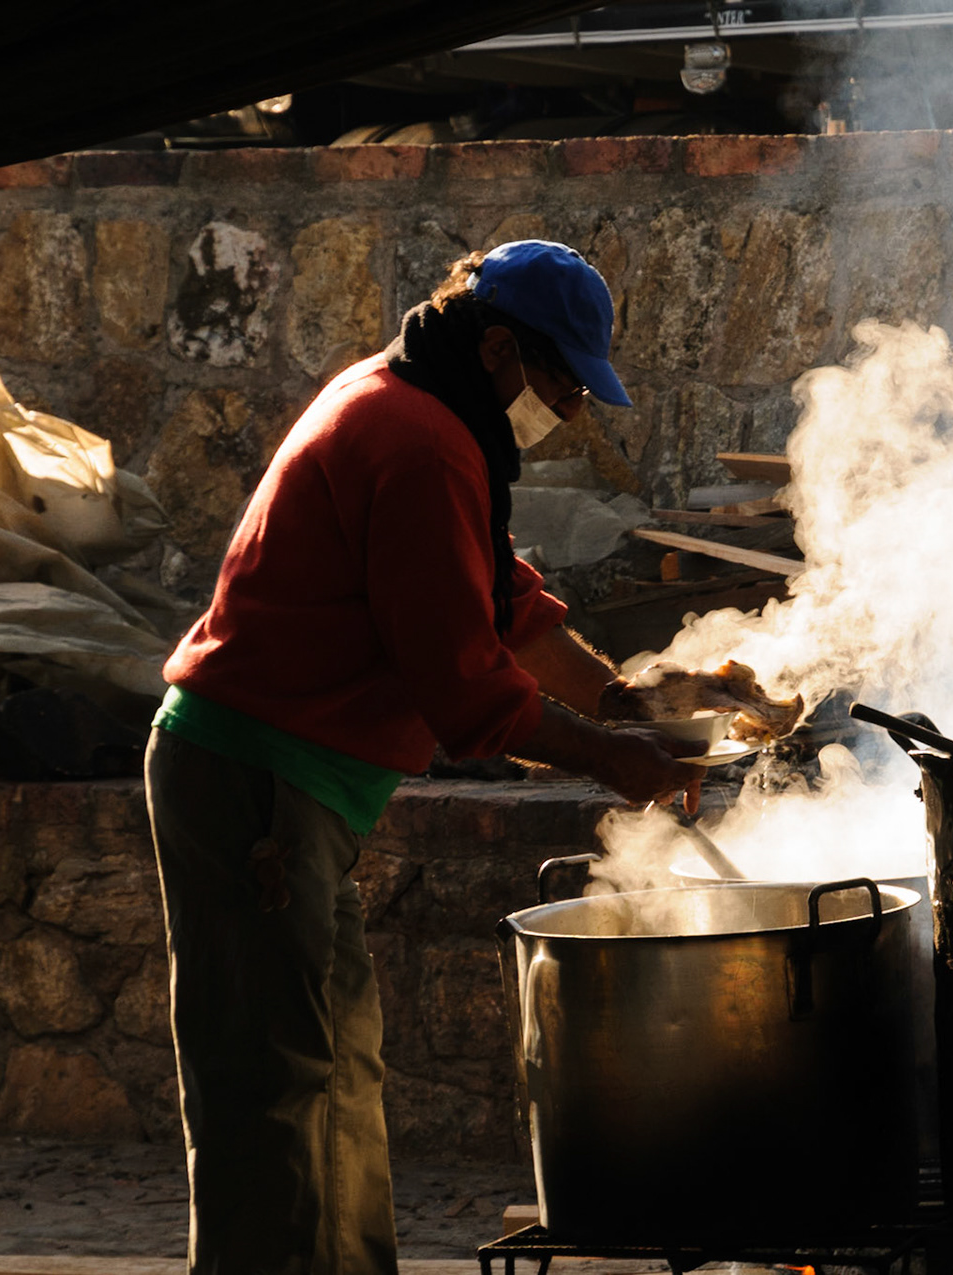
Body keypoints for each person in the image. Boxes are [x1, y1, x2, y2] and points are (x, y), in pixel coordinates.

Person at [144, 240, 701, 1275]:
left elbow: (508, 608)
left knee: (337, 1073)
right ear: (497, 347)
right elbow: (469, 692)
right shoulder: (419, 443)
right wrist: (616, 762)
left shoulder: (421, 405)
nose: (572, 410)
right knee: (273, 1091)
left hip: (298, 785)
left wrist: (627, 701)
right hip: (257, 783)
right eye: (562, 381)